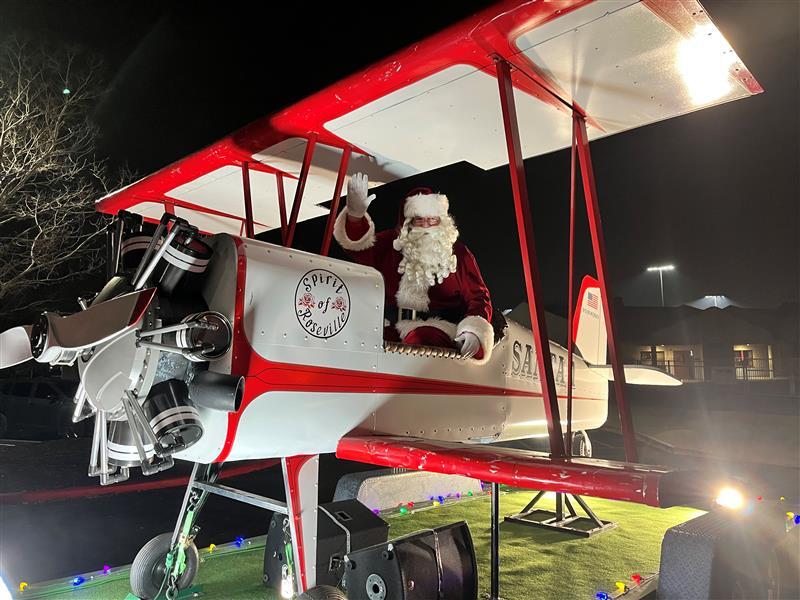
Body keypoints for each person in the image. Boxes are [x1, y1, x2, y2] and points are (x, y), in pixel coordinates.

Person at [333, 172, 495, 362]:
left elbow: (478, 298)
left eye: (432, 219)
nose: (426, 225)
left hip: (439, 330)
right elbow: (359, 247)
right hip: (392, 325)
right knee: (354, 341)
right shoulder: (392, 245)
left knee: (420, 338)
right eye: (419, 219)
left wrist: (473, 332)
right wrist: (355, 217)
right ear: (408, 223)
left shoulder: (458, 254)